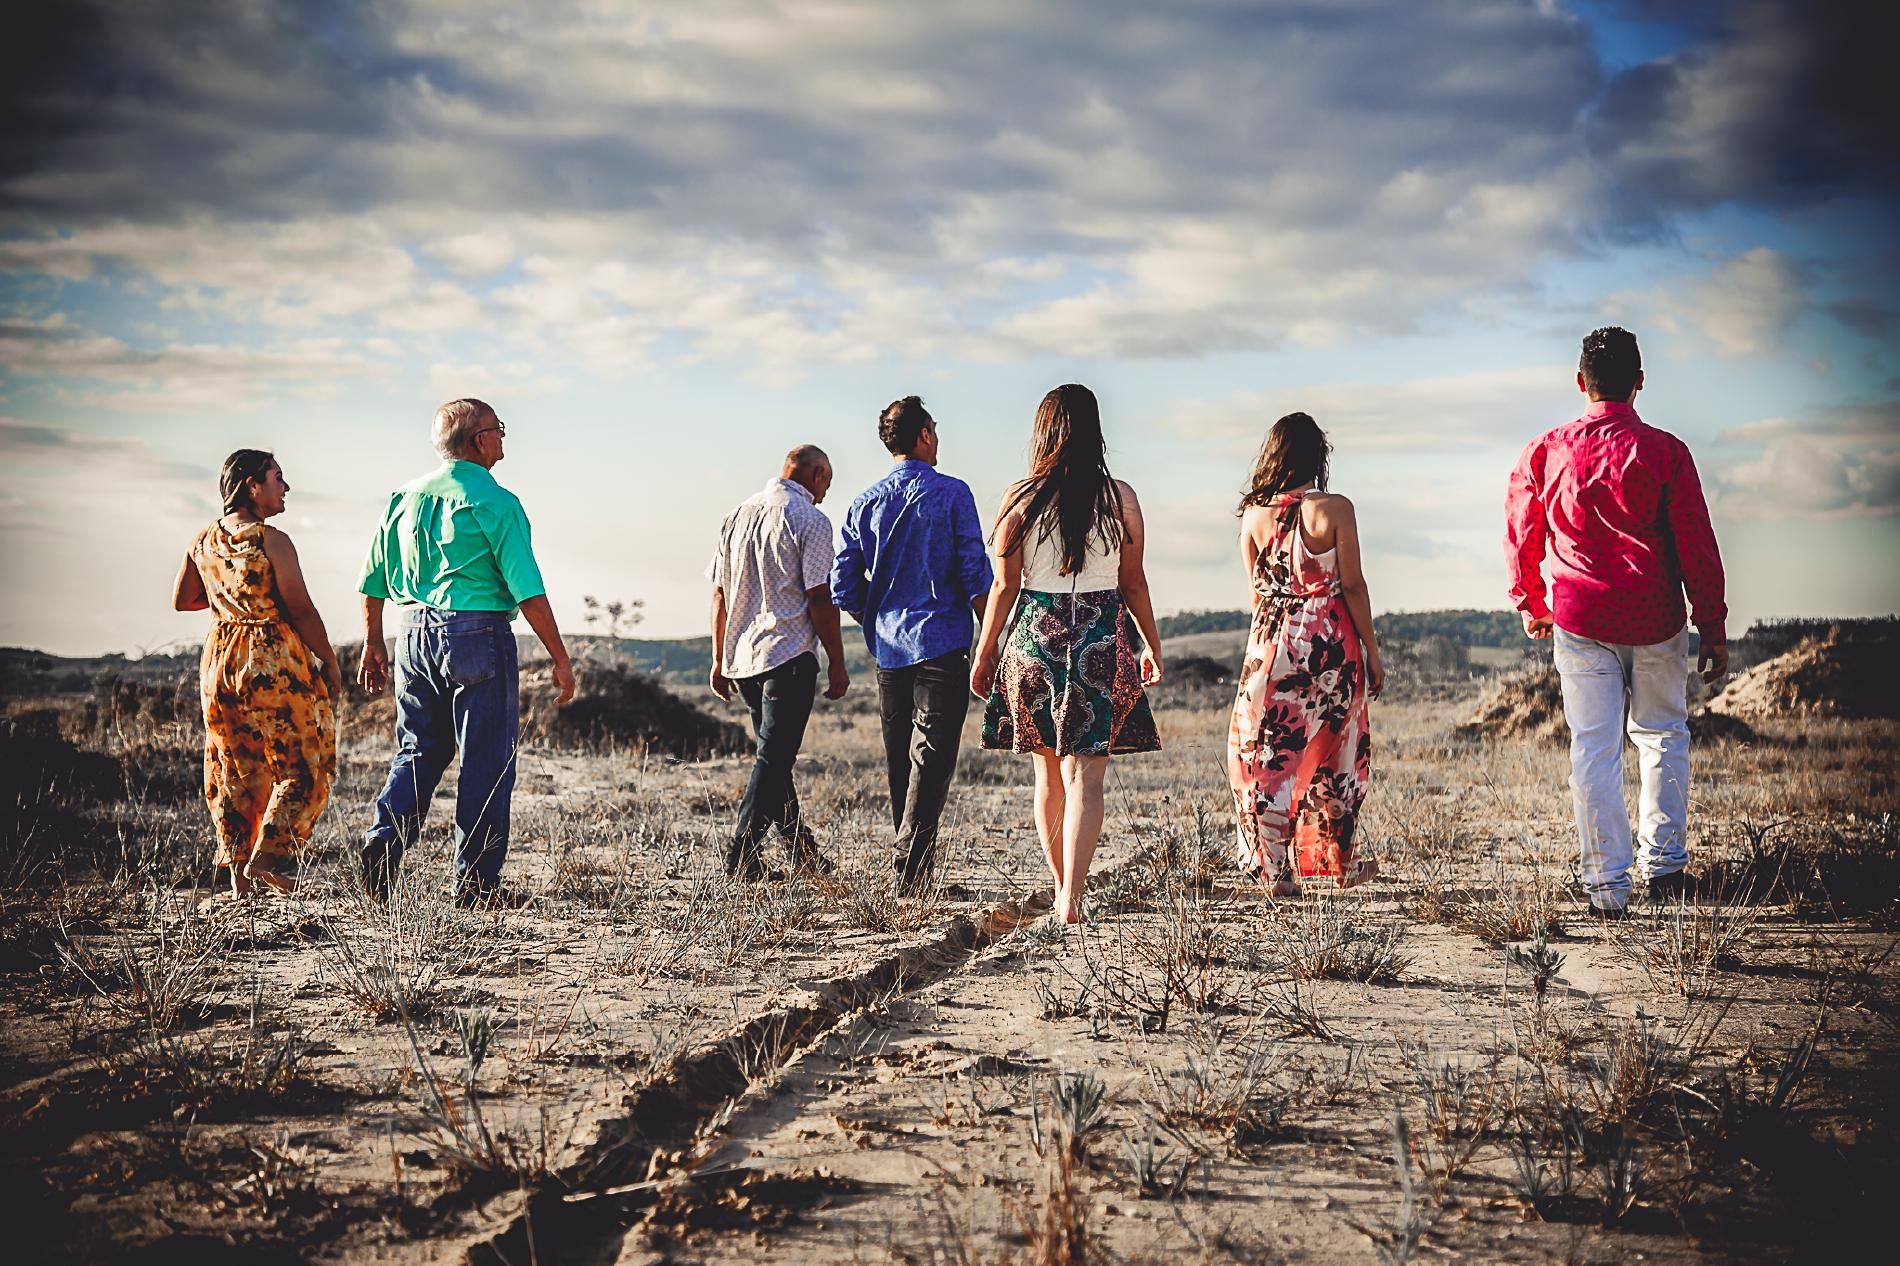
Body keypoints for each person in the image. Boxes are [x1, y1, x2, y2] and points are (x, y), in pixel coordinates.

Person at [1506, 327, 1728, 917]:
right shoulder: (1666, 452)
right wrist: (1713, 623)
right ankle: (1667, 868)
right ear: (1639, 383)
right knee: (1662, 735)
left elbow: (1521, 533)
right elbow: (1697, 546)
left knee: (1594, 748)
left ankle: (1606, 884)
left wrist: (1532, 601)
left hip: (1580, 619)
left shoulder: (1545, 451)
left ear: (1581, 382)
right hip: (1656, 618)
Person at [357, 398, 576, 906]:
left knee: (418, 749)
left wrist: (372, 643)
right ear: (480, 440)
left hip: (411, 633)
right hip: (477, 634)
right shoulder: (498, 502)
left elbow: (372, 580)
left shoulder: (402, 498)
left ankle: (384, 840)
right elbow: (528, 589)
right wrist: (560, 658)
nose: (503, 438)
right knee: (486, 760)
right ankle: (476, 884)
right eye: (499, 429)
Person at [972, 384, 1162, 923]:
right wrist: (1151, 642)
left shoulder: (1019, 498)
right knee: (1088, 778)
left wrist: (985, 655)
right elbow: (1134, 582)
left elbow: (1005, 587)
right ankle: (1071, 900)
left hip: (1036, 637)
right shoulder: (1120, 497)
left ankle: (1060, 887)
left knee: (1048, 777)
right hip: (1101, 635)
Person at [831, 397, 993, 895]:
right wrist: (993, 634)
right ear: (924, 435)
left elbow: (843, 584)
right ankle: (908, 870)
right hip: (941, 641)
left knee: (901, 754)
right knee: (933, 757)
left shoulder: (863, 503)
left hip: (889, 649)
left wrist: (874, 620)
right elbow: (973, 570)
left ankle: (912, 872)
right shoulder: (953, 495)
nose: (939, 439)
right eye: (936, 431)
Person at [172, 450, 340, 896]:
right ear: (252, 485)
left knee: (233, 765)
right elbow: (301, 609)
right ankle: (269, 858)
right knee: (305, 761)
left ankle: (237, 883)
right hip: (270, 659)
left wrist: (232, 598)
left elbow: (185, 599)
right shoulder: (271, 540)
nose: (286, 488)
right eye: (278, 478)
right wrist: (331, 659)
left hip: (220, 658)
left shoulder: (202, 540)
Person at [1227, 413, 1382, 897]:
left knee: (1264, 753)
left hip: (1271, 644)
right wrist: (1372, 651)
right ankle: (1330, 864)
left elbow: (1257, 593)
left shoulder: (1254, 515)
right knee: (1336, 750)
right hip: (1330, 644)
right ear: (1319, 456)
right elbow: (1352, 586)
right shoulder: (1335, 509)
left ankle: (1273, 869)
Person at [708, 445, 849, 880]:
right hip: (788, 654)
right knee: (773, 760)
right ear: (817, 473)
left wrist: (718, 658)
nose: (827, 490)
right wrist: (837, 662)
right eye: (828, 480)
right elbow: (819, 597)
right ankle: (740, 856)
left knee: (775, 758)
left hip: (744, 658)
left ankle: (801, 850)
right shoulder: (811, 520)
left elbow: (719, 594)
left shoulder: (736, 515)